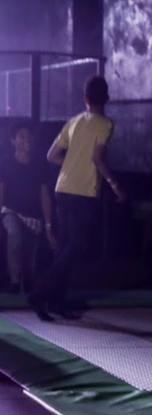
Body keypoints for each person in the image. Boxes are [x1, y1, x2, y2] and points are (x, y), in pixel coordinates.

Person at [28, 75, 127, 321]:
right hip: (83, 192)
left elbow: (51, 156)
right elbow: (97, 159)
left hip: (62, 188)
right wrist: (115, 185)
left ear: (85, 99)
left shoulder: (73, 122)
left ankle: (56, 302)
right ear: (106, 99)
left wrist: (71, 163)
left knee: (64, 248)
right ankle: (40, 294)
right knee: (75, 247)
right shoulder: (105, 124)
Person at [0, 120, 57, 294]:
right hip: (10, 212)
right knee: (14, 234)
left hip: (33, 217)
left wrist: (48, 226)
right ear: (13, 140)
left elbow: (45, 195)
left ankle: (25, 290)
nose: (27, 140)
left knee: (31, 261)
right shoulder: (5, 163)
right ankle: (14, 282)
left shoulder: (40, 164)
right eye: (22, 136)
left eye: (29, 136)